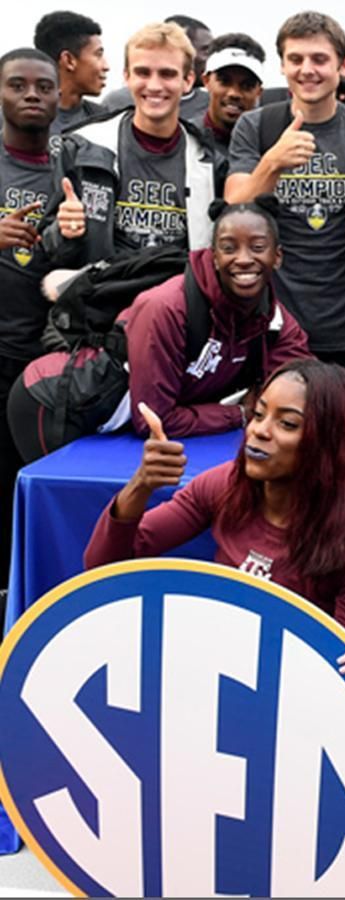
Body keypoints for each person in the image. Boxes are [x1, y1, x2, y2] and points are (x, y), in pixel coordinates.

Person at [11, 200, 345, 458]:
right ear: (212, 253)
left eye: (257, 247)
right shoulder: (166, 307)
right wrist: (242, 413)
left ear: (277, 257)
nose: (243, 259)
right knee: (72, 518)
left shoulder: (273, 322)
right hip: (55, 405)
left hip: (117, 423)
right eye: (229, 247)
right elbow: (154, 420)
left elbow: (318, 397)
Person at [84, 359, 345, 684]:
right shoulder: (225, 485)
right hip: (209, 674)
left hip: (288, 695)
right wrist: (141, 484)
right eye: (259, 413)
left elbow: (344, 667)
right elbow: (103, 566)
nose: (259, 431)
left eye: (288, 424)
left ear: (331, 444)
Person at [227, 12, 345, 395]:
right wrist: (272, 162)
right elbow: (232, 207)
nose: (307, 70)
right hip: (274, 325)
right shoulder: (257, 126)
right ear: (282, 65)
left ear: (343, 66)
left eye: (319, 59)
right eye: (296, 59)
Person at [39, 22, 225, 267]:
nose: (155, 86)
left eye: (167, 74)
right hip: (100, 298)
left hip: (177, 300)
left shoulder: (209, 161)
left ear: (188, 81)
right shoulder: (83, 146)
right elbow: (49, 249)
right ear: (127, 77)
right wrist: (64, 231)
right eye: (143, 73)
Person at [0, 47, 60, 579]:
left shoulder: (77, 165)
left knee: (34, 482)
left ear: (61, 95)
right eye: (17, 85)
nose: (32, 96)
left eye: (43, 86)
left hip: (47, 361)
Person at [102, 15, 213, 122]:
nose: (154, 87)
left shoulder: (212, 107)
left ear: (189, 79)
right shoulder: (117, 102)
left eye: (168, 74)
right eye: (207, 51)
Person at [33, 11, 107, 135]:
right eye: (98, 55)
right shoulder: (17, 123)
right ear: (69, 60)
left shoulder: (104, 122)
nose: (106, 66)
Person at [193, 37, 266, 148]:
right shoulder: (184, 139)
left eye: (246, 86)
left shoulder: (272, 143)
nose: (234, 93)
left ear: (259, 92)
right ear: (206, 81)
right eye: (225, 82)